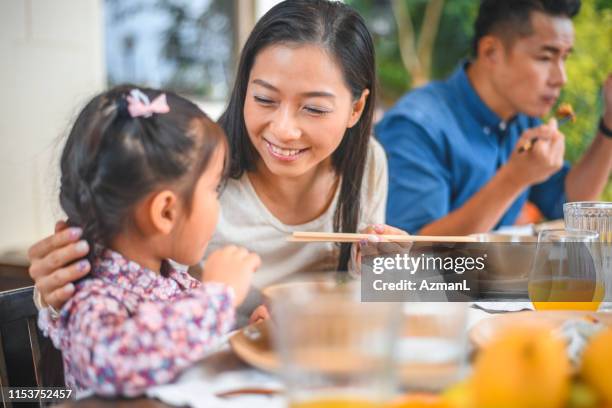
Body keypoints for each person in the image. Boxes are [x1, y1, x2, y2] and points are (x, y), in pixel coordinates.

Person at [27, 0, 402, 320]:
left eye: (314, 108)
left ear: (356, 108)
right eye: (265, 100)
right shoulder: (192, 171)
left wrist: (384, 270)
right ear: (243, 89)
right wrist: (56, 292)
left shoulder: (368, 163)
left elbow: (369, 306)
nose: (284, 129)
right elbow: (119, 296)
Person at [38, 85, 260, 396]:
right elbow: (122, 363)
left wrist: (250, 334)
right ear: (166, 211)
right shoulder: (93, 300)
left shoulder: (173, 283)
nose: (218, 203)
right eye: (213, 189)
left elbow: (186, 349)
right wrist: (218, 298)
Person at [376, 0, 612, 235]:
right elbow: (408, 252)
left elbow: (569, 205)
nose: (561, 78)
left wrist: (609, 124)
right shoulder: (416, 126)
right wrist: (514, 178)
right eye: (545, 57)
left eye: (564, 58)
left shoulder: (520, 119)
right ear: (491, 51)